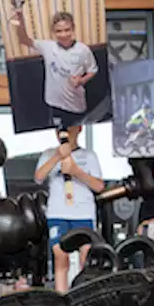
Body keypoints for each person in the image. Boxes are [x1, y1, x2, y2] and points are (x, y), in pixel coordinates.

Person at [34, 125, 105, 293]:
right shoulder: (48, 154)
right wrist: (58, 155)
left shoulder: (88, 156)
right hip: (58, 212)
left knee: (86, 256)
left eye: (68, 129)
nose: (63, 133)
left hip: (83, 213)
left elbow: (99, 186)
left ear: (79, 129)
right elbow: (38, 177)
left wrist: (76, 171)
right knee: (60, 256)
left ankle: (84, 295)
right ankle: (61, 297)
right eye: (59, 130)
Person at [10, 8, 98, 124]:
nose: (63, 34)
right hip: (53, 104)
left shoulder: (83, 49)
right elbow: (24, 39)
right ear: (53, 31)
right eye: (59, 31)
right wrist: (20, 18)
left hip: (75, 105)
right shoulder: (48, 47)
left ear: (73, 29)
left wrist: (82, 80)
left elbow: (93, 70)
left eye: (67, 30)